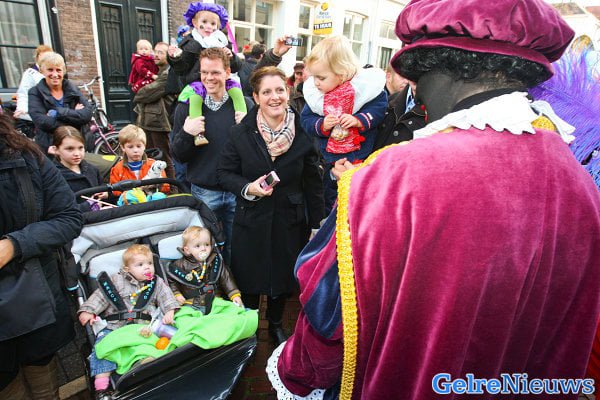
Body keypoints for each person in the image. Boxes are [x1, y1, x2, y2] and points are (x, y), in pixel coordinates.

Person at [267, 0, 600, 399]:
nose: (416, 89)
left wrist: (294, 374)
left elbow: (328, 318)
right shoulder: (580, 185)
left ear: (446, 69)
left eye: (419, 75)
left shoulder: (393, 177)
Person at [217, 66, 324, 345]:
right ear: (255, 96)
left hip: (289, 219)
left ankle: (275, 323)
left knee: (283, 277)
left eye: (279, 90)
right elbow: (224, 173)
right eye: (266, 92)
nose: (274, 97)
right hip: (251, 217)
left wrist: (317, 224)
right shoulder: (241, 133)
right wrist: (248, 188)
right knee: (249, 277)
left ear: (288, 92)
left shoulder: (304, 131)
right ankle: (251, 324)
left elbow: (313, 182)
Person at [0, 113, 83, 399]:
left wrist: (14, 245)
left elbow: (69, 217)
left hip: (36, 293)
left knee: (41, 368)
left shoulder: (26, 156)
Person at [171, 47, 254, 265]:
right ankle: (211, 285)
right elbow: (178, 155)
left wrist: (247, 128)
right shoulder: (186, 108)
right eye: (204, 72)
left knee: (238, 246)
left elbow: (256, 152)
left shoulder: (245, 106)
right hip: (204, 190)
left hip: (237, 189)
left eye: (215, 72)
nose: (209, 78)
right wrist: (187, 133)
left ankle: (235, 285)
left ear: (227, 72)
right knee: (205, 251)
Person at [78, 244, 179, 399]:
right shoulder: (116, 280)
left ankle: (143, 364)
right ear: (127, 269)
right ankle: (102, 387)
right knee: (103, 348)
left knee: (150, 345)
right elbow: (100, 297)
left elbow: (166, 296)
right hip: (114, 327)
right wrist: (88, 310)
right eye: (140, 265)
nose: (147, 267)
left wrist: (170, 310)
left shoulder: (156, 282)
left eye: (150, 263)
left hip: (142, 327)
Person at [301, 35, 387, 213]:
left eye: (321, 77)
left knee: (355, 204)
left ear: (341, 74)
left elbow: (379, 108)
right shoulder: (317, 96)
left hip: (361, 158)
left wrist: (359, 120)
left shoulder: (365, 89)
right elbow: (306, 119)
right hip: (329, 161)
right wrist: (322, 125)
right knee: (329, 200)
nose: (316, 82)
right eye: (314, 77)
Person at [167, 226, 243, 314]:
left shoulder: (215, 261)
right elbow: (172, 281)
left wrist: (234, 295)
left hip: (215, 301)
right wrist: (176, 294)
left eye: (207, 244)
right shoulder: (180, 265)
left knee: (235, 311)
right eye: (197, 246)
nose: (203, 249)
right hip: (191, 303)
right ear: (187, 250)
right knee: (182, 316)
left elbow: (226, 278)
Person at [28, 52, 92, 153]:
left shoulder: (73, 89)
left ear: (63, 71)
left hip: (77, 145)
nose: (55, 74)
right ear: (42, 71)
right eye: (50, 70)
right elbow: (42, 121)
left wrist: (57, 113)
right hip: (51, 147)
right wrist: (74, 115)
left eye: (58, 70)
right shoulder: (35, 92)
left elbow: (87, 114)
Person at [134, 42, 177, 179]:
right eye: (155, 51)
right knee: (149, 157)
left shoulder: (167, 73)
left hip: (159, 121)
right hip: (147, 120)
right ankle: (155, 184)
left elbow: (144, 93)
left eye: (161, 53)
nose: (156, 55)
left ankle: (172, 186)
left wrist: (138, 90)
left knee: (164, 157)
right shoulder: (153, 71)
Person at [50, 125, 108, 211]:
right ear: (56, 150)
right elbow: (58, 208)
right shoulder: (53, 176)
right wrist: (88, 206)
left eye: (80, 148)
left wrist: (105, 193)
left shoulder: (91, 169)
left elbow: (102, 186)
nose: (77, 153)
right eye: (70, 149)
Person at [109, 124, 168, 196]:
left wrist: (157, 185)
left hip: (152, 200)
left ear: (144, 146)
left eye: (139, 146)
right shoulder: (117, 169)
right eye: (130, 147)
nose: (135, 150)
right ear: (123, 148)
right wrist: (132, 192)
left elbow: (166, 187)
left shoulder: (154, 165)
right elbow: (115, 192)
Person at [13, 44, 53, 137]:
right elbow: (23, 93)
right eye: (44, 56)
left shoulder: (52, 72)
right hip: (37, 112)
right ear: (38, 56)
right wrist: (22, 109)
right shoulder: (30, 73)